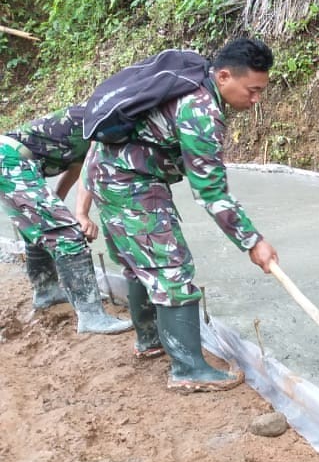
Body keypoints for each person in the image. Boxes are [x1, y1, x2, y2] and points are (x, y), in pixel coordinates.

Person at [80, 37, 280, 392]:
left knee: (140, 264)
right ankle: (188, 369)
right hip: (130, 183)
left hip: (110, 175)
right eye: (252, 90)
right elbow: (211, 192)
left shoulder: (192, 81)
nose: (256, 99)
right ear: (223, 77)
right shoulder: (200, 110)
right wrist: (254, 242)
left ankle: (150, 340)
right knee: (171, 267)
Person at [1, 106, 132, 334]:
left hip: (10, 159)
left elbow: (77, 168)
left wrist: (57, 205)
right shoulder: (107, 117)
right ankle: (92, 317)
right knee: (68, 235)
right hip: (11, 161)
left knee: (43, 228)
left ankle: (46, 291)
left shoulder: (97, 114)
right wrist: (80, 215)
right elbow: (91, 167)